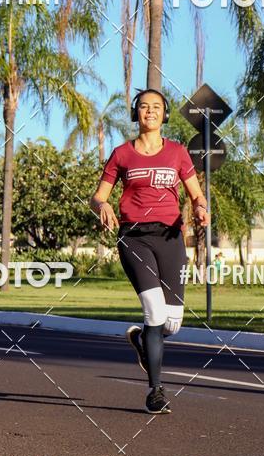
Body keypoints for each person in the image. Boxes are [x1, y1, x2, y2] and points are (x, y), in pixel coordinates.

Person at [90, 88, 210, 414]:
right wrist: (102, 206)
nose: (150, 112)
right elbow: (98, 196)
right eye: (144, 107)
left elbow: (196, 195)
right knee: (154, 314)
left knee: (172, 323)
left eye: (156, 107)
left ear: (165, 114)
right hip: (134, 237)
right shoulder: (121, 154)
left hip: (171, 238)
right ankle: (156, 391)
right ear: (136, 113)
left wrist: (200, 208)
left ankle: (145, 342)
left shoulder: (177, 153)